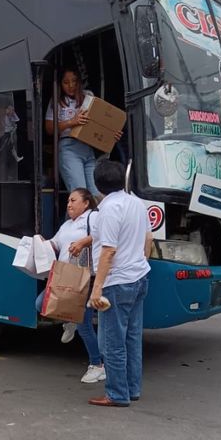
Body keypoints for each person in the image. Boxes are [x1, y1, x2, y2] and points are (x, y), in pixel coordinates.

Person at [88, 158, 152, 407]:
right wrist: (139, 263)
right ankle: (132, 389)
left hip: (117, 282)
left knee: (112, 342)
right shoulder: (136, 203)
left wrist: (97, 288)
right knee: (132, 338)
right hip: (139, 277)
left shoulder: (108, 209)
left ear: (97, 184)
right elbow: (148, 239)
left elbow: (108, 251)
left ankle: (116, 394)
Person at [35, 188, 106, 384]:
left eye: (73, 200)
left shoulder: (93, 217)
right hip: (65, 276)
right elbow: (56, 244)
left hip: (85, 277)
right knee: (41, 304)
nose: (69, 204)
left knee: (84, 326)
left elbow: (104, 236)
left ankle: (97, 365)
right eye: (68, 201)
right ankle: (70, 321)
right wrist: (42, 243)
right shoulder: (67, 224)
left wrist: (84, 241)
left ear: (86, 203)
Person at [46, 69, 99, 197]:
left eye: (74, 81)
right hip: (69, 147)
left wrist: (111, 134)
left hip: (88, 147)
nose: (71, 85)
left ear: (79, 82)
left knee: (96, 195)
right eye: (66, 82)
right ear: (60, 84)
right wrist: (72, 122)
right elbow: (49, 128)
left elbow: (99, 122)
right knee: (80, 193)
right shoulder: (57, 100)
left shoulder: (88, 96)